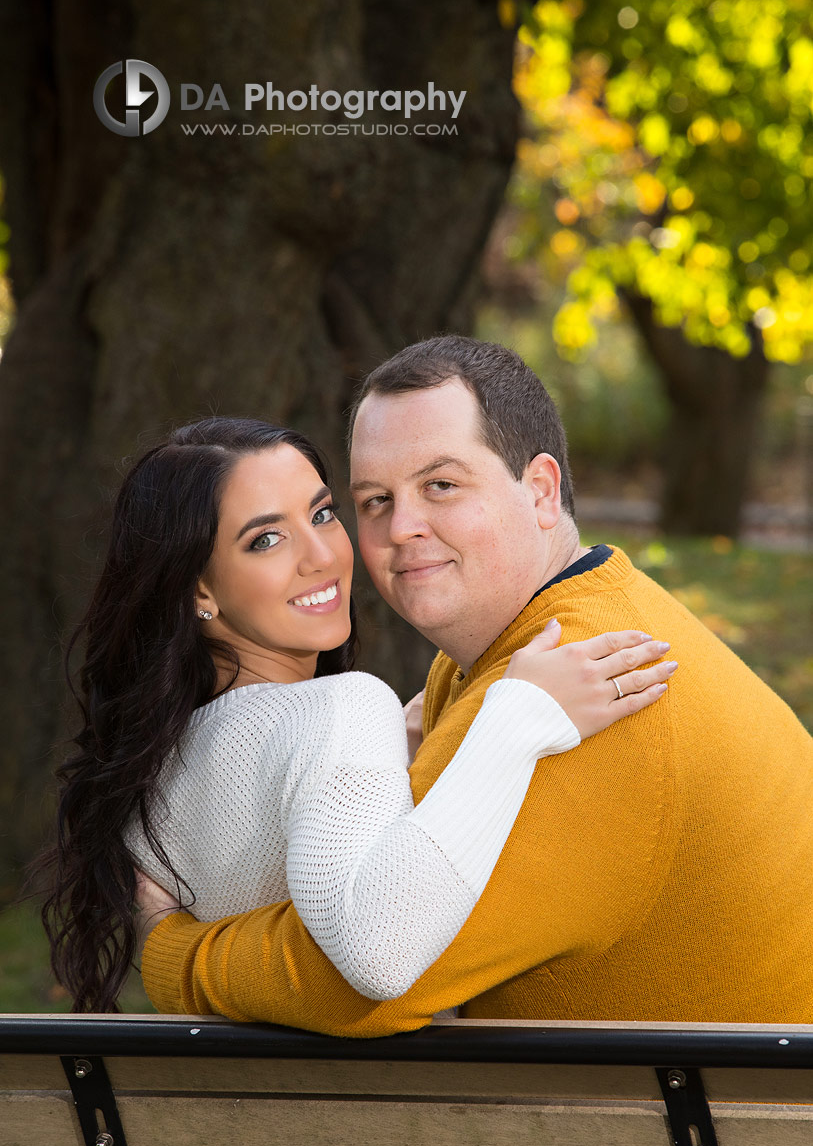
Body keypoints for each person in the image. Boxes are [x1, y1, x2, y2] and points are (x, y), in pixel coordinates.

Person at [137, 336, 813, 1033]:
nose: (402, 528)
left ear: (541, 491)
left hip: (728, 1132)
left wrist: (169, 948)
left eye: (441, 486)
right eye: (372, 500)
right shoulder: (521, 653)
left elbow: (359, 986)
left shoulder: (588, 689)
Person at [40, 416, 672, 1013]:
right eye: (265, 539)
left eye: (322, 514)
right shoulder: (343, 710)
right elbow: (380, 955)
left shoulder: (153, 769)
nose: (321, 555)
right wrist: (515, 722)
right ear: (198, 589)